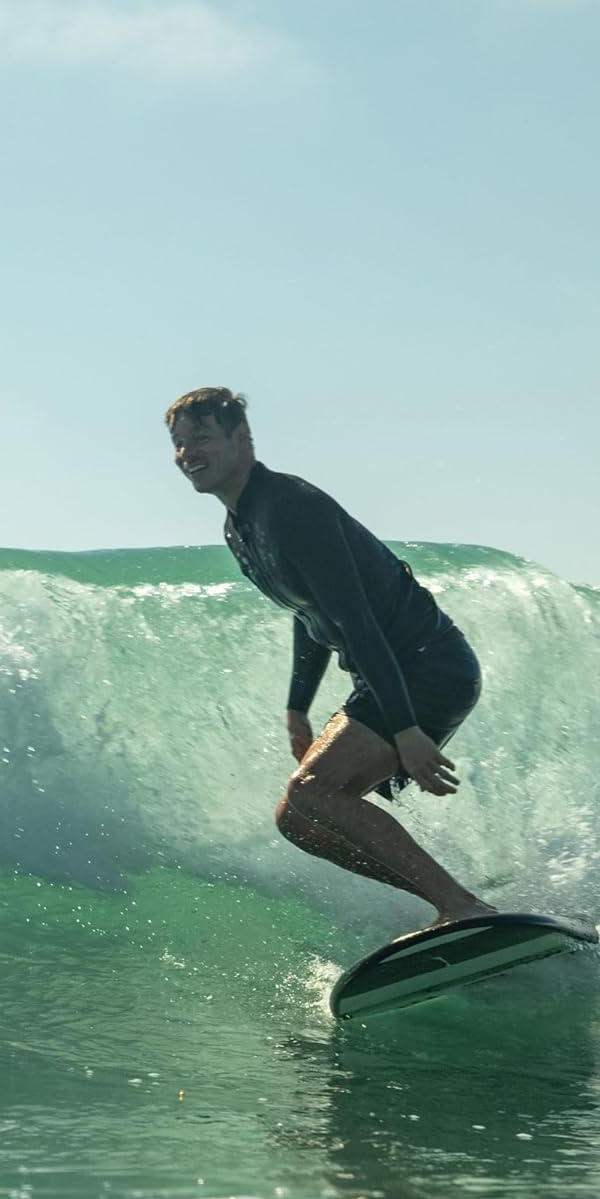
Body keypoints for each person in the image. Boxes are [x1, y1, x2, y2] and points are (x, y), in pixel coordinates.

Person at [165, 386, 495, 925]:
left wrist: (406, 729)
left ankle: (459, 905)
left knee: (313, 791)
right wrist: (297, 707)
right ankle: (453, 901)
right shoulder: (240, 526)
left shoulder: (291, 507)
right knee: (298, 819)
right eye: (179, 444)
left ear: (242, 438)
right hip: (392, 675)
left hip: (426, 666)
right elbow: (309, 612)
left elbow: (357, 619)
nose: (187, 454)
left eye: (201, 438)